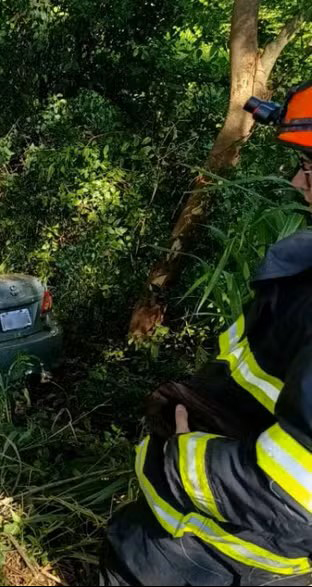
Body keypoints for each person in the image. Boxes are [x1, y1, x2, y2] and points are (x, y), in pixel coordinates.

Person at [102, 82, 312, 586]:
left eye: (310, 167)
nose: (297, 182)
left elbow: (296, 495)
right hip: (182, 547)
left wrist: (182, 459)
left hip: (218, 562)